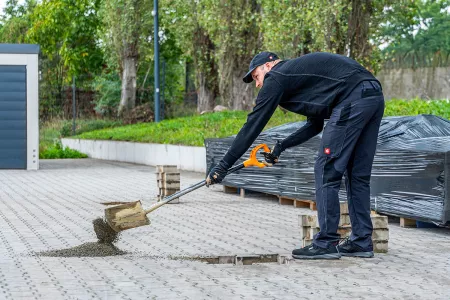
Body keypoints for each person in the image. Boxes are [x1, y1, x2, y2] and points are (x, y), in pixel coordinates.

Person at [206, 51, 384, 259]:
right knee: (357, 174)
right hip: (372, 95)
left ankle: (326, 242)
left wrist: (223, 165)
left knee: (326, 169)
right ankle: (361, 241)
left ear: (268, 65)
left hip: (352, 97)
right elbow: (314, 125)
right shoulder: (299, 78)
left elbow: (253, 125)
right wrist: (282, 145)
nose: (257, 84)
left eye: (256, 76)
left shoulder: (276, 77)